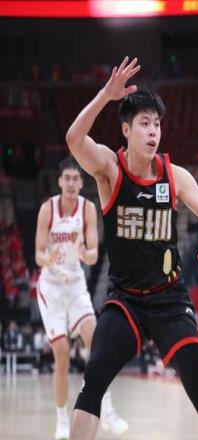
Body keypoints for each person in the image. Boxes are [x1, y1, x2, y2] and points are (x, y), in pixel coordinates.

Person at [65, 57, 198, 439]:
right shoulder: (110, 169)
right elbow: (74, 140)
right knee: (93, 383)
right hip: (126, 301)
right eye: (145, 123)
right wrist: (105, 95)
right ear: (126, 130)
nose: (153, 131)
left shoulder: (174, 175)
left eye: (157, 124)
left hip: (170, 300)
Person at [35, 157, 128, 439]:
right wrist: (48, 258)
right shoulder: (47, 209)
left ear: (81, 183)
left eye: (76, 179)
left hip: (75, 285)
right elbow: (38, 254)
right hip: (52, 288)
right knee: (62, 354)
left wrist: (84, 253)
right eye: (67, 178)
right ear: (60, 181)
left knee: (97, 343)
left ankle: (107, 410)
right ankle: (62, 419)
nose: (72, 183)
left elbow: (94, 253)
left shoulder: (87, 208)